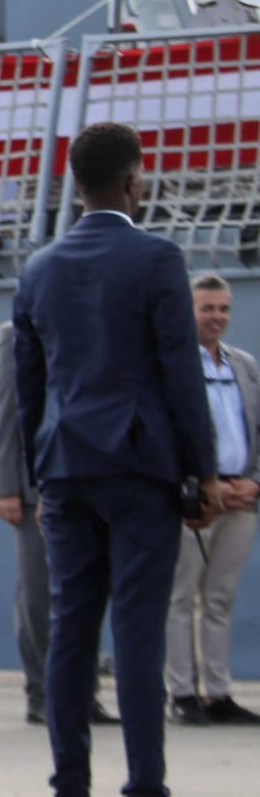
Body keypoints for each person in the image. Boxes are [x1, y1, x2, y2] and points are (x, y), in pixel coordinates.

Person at [11, 121, 222, 797]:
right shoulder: (157, 258)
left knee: (71, 627)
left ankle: (70, 780)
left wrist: (38, 478)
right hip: (139, 467)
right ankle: (144, 784)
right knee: (137, 629)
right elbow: (180, 372)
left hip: (65, 467)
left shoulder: (38, 268)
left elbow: (27, 387)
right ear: (133, 181)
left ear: (75, 184)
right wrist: (203, 471)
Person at [0, 321, 120, 728]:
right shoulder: (16, 334)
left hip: (85, 480)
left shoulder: (90, 328)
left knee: (84, 595)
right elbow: (6, 412)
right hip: (35, 488)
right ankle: (43, 694)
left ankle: (81, 694)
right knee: (39, 595)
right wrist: (8, 487)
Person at [165, 273, 260, 726]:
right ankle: (182, 692)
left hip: (242, 499)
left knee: (220, 598)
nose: (217, 316)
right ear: (188, 312)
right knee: (180, 597)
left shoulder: (244, 364)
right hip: (193, 501)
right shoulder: (171, 364)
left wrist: (254, 482)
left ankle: (218, 693)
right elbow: (167, 433)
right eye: (207, 308)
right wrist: (204, 485)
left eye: (223, 308)